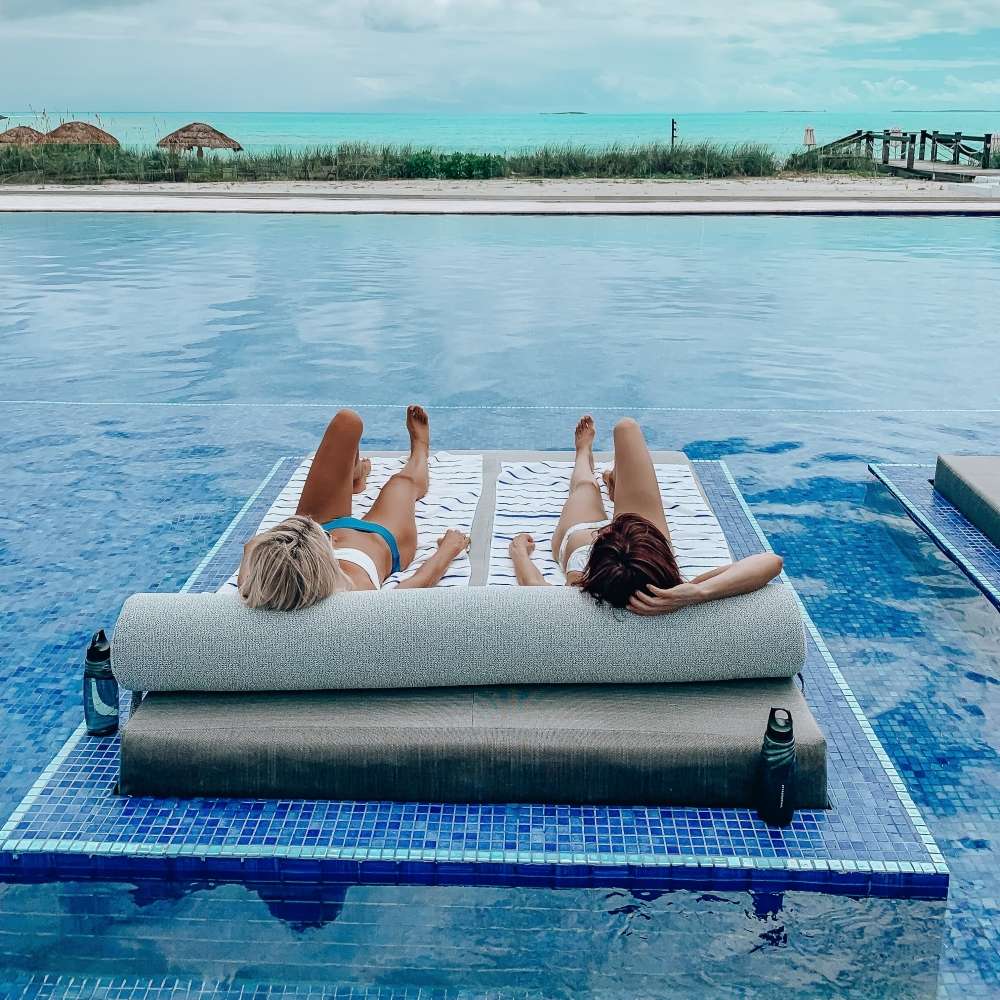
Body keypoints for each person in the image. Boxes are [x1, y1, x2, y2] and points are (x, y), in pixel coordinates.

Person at [508, 415, 783, 614]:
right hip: (641, 545)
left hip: (582, 541)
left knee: (584, 487)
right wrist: (699, 592)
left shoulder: (576, 596)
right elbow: (770, 562)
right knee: (626, 429)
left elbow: (533, 583)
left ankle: (584, 454)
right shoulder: (669, 591)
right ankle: (619, 491)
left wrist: (519, 551)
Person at [238, 405, 470, 611]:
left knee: (347, 421)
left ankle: (354, 475)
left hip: (313, 531)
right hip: (383, 539)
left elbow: (251, 546)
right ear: (330, 548)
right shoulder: (353, 600)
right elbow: (416, 585)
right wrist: (448, 550)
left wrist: (283, 543)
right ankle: (420, 450)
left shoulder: (258, 587)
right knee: (401, 485)